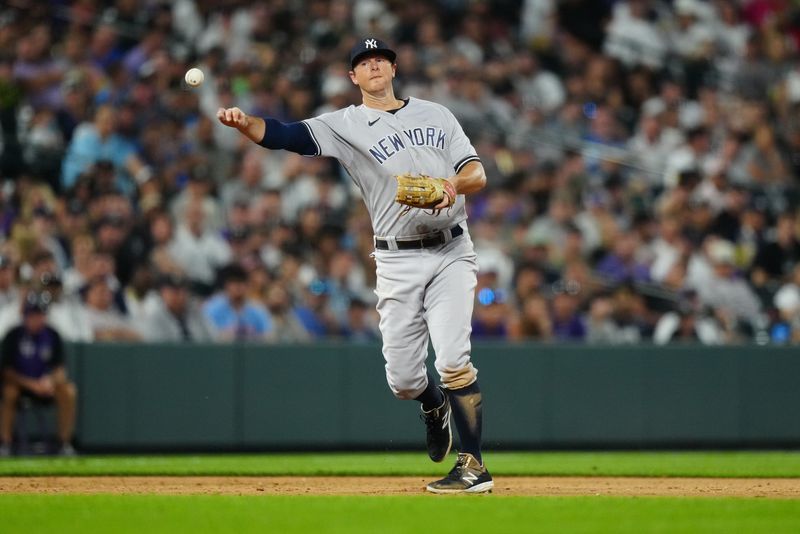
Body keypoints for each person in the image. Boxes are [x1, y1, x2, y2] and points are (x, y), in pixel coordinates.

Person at [216, 37, 492, 493]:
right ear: (354, 77)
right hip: (395, 258)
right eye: (364, 62)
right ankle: (432, 404)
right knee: (403, 379)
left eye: (381, 58)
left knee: (453, 359)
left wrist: (450, 184)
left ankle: (474, 466)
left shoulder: (436, 114)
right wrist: (246, 124)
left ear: (394, 68)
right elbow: (285, 135)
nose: (374, 64)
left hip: (451, 251)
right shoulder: (344, 124)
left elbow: (477, 173)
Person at [0, 292, 77, 456]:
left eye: (40, 314)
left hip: (45, 386)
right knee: (8, 392)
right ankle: (5, 443)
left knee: (68, 391)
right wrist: (31, 384)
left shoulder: (52, 335)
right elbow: (6, 372)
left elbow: (59, 370)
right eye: (33, 314)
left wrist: (49, 381)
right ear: (25, 315)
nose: (37, 318)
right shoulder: (14, 335)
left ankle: (64, 443)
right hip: (21, 385)